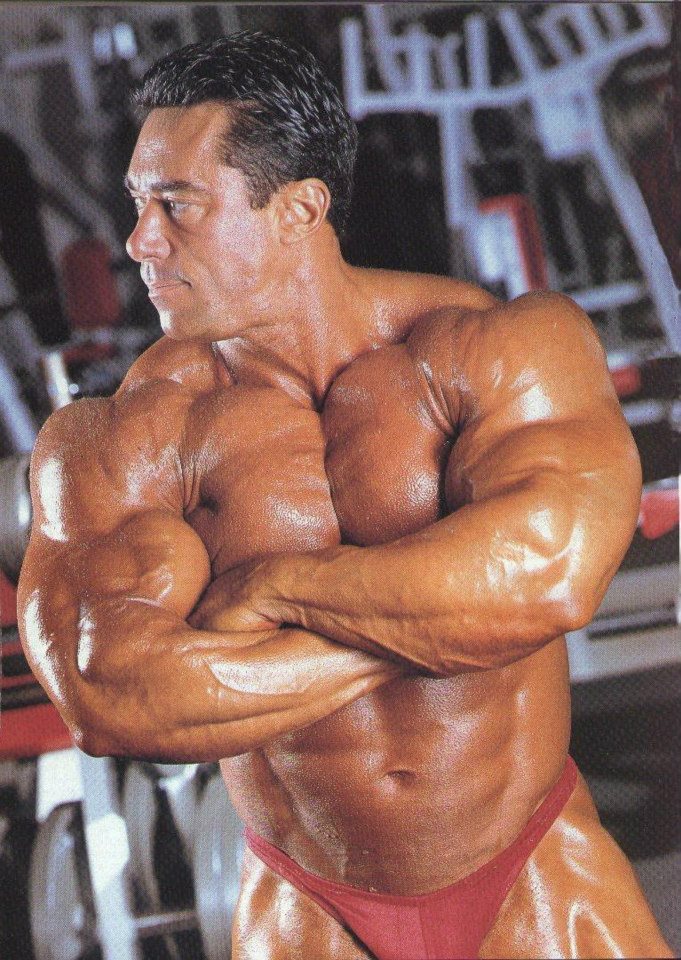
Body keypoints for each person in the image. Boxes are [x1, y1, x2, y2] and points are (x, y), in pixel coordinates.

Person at [18, 32, 672, 960]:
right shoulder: (130, 431)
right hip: (307, 898)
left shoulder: (497, 346)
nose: (139, 242)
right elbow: (110, 692)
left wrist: (274, 589)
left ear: (299, 208)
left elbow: (543, 579)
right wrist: (433, 629)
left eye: (177, 204)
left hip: (530, 861)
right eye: (137, 203)